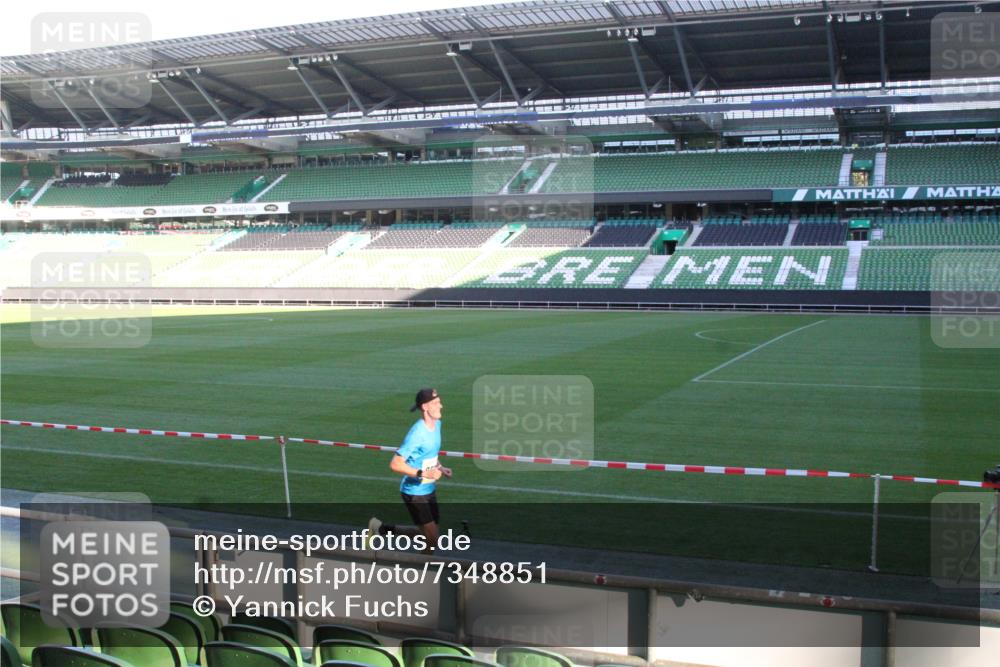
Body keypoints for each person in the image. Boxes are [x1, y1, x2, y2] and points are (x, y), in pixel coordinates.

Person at [367, 388, 452, 554]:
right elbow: (395, 464)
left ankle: (380, 528)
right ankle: (421, 574)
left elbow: (430, 453)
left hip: (428, 488)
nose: (441, 405)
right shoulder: (417, 434)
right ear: (425, 407)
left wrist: (441, 467)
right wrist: (424, 474)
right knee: (432, 539)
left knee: (428, 535)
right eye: (436, 403)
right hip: (414, 492)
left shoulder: (437, 425)